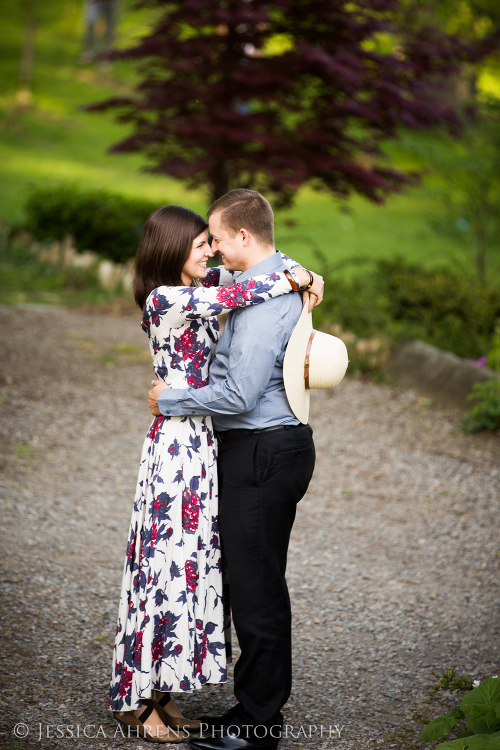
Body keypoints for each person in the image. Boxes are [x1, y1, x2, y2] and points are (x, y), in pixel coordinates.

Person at [109, 203, 321, 744]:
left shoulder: (210, 280)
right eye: (201, 243)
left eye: (213, 240)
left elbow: (250, 272)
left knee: (191, 568)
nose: (210, 250)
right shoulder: (167, 297)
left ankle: (168, 694)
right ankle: (138, 699)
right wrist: (296, 278)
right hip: (179, 442)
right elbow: (240, 291)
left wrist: (303, 275)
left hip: (206, 440)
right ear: (173, 249)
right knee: (164, 565)